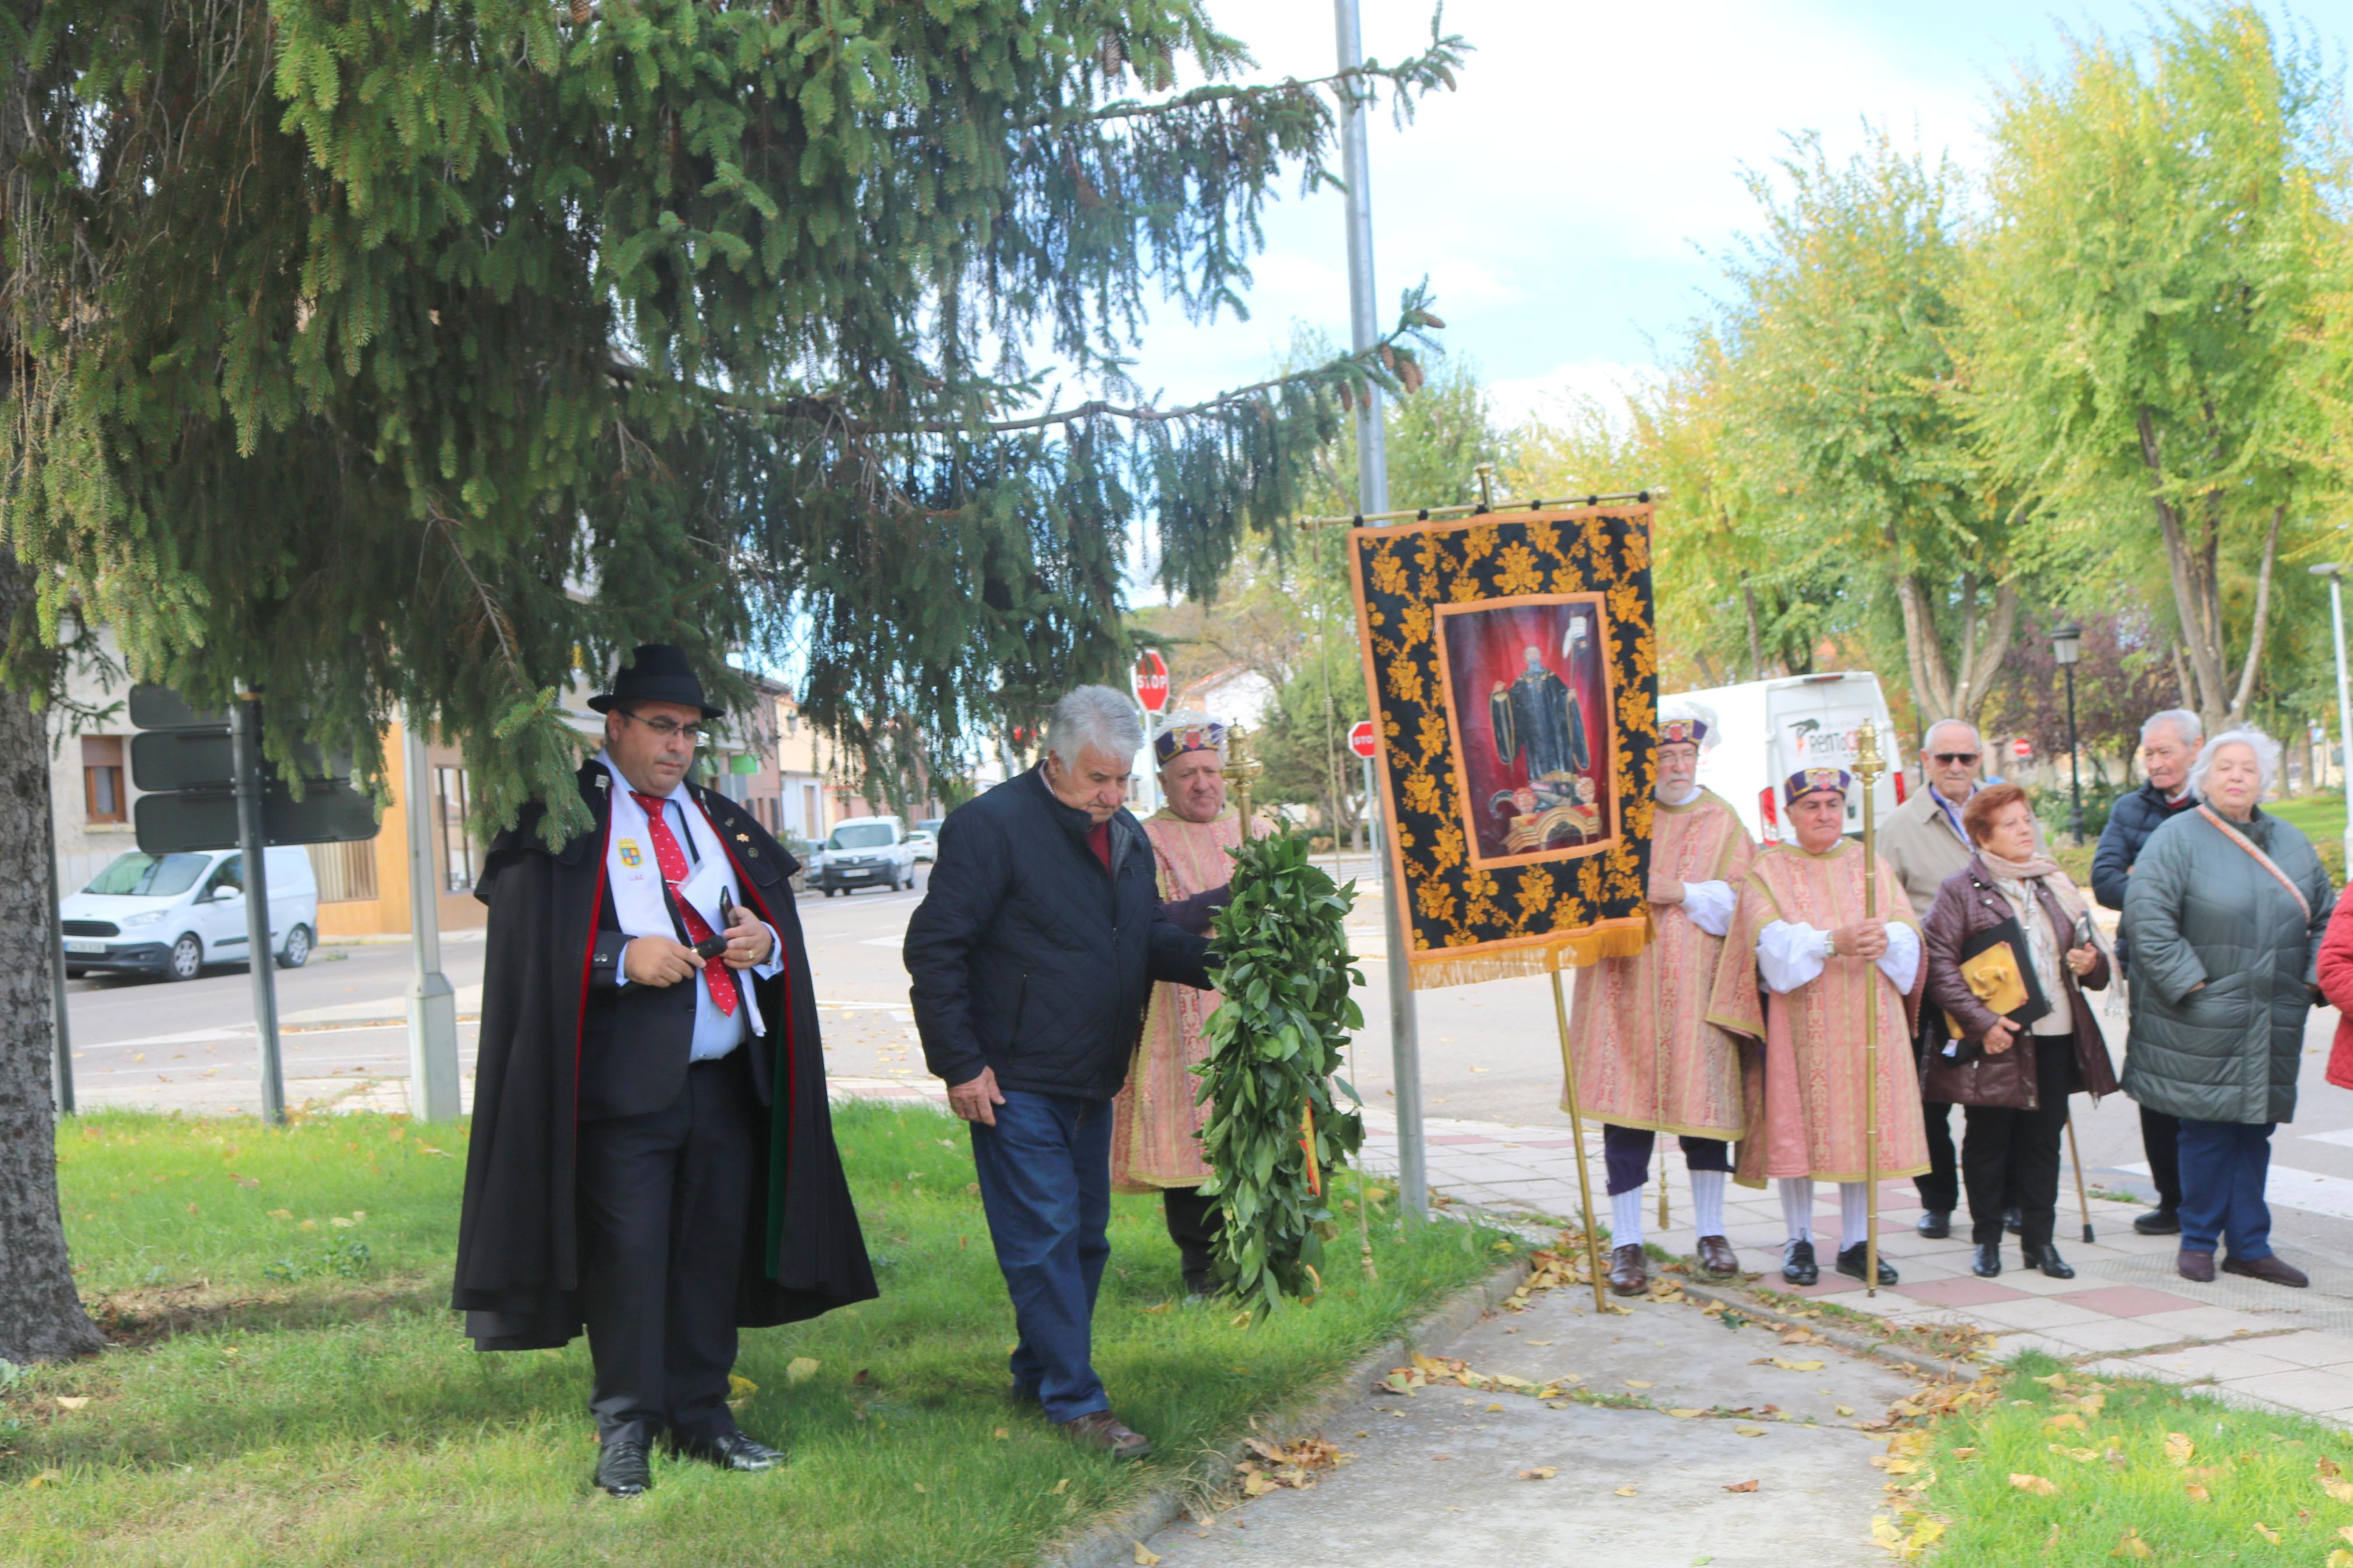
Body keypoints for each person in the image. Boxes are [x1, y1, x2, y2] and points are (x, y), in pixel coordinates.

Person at [452, 645, 877, 1499]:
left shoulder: (715, 819)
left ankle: (703, 1414)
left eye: (687, 730)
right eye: (660, 726)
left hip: (723, 1079)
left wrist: (763, 939)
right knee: (629, 1258)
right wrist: (618, 954)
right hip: (621, 1090)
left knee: (708, 1253)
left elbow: (758, 917)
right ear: (615, 726)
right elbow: (531, 940)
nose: (677, 744)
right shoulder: (565, 815)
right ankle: (625, 1429)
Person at [905, 686, 1213, 1460]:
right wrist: (958, 1062)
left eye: (1122, 780)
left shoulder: (1127, 834)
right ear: (1053, 761)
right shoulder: (990, 826)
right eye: (1096, 780)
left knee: (1082, 1240)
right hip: (1010, 1078)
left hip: (1091, 1074)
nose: (1111, 797)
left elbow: (1141, 933)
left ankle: (1036, 1371)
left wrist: (1230, 958)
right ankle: (1078, 1403)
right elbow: (934, 948)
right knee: (1042, 1234)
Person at [2120, 728, 2331, 1289]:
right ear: (2204, 777)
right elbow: (2147, 917)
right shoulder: (2176, 837)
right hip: (2201, 1015)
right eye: (2224, 767)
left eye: (2247, 768)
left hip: (2272, 1014)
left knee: (2253, 1131)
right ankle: (2196, 1241)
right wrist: (2194, 988)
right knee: (2207, 1130)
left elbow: (2328, 919)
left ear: (2262, 779)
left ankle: (2249, 1246)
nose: (2236, 776)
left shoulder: (2290, 841)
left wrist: (2307, 982)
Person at [1708, 769, 1928, 1286]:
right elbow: (1768, 943)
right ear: (1789, 814)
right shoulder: (1770, 870)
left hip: (1869, 1013)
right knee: (1799, 1126)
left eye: (1833, 804)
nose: (1825, 814)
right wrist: (1833, 942)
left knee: (1862, 1123)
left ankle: (1856, 1241)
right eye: (1812, 806)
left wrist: (1885, 941)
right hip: (1802, 1018)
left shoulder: (1868, 863)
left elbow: (1905, 928)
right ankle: (1799, 1238)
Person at [1568, 710, 1756, 1294]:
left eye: (1684, 757)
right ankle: (1625, 1243)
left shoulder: (1722, 821)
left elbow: (1745, 902)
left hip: (1699, 989)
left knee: (1703, 1109)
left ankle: (1712, 1233)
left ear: (1698, 759)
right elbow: (1582, 884)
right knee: (1626, 1111)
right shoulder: (1619, 819)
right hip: (1623, 983)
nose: (1675, 767)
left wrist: (1679, 892)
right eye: (1663, 757)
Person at [1921, 783, 2117, 1279]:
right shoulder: (1959, 890)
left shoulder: (2052, 883)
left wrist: (2090, 961)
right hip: (1996, 1037)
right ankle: (1986, 1238)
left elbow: (2091, 962)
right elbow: (1938, 964)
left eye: (2027, 819)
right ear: (1984, 838)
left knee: (2042, 1141)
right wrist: (1982, 1022)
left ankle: (2040, 1243)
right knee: (1988, 1141)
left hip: (2055, 1033)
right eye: (2010, 824)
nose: (2025, 829)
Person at [1109, 713, 1270, 1295]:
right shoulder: (1143, 839)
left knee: (1265, 1125)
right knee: (1191, 1136)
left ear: (1226, 773)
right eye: (1185, 775)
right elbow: (1143, 922)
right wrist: (1226, 901)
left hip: (1260, 1007)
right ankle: (1202, 1268)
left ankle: (1268, 1256)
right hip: (1178, 1013)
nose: (1200, 783)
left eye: (1209, 770)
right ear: (1165, 780)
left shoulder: (1260, 827)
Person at [2091, 709, 2205, 1236]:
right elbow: (2106, 880)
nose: (2156, 762)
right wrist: (2173, 891)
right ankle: (2171, 1200)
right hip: (2148, 970)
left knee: (2205, 1088)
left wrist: (2151, 880)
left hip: (2212, 967)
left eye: (2165, 752)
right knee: (2156, 1086)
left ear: (2195, 748)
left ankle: (2207, 1199)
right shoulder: (2129, 809)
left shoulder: (2219, 806)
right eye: (2149, 753)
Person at [1879, 719, 1989, 1240]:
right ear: (1925, 760)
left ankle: (2002, 1201)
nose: (1955, 768)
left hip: (2000, 982)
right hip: (1933, 983)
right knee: (1931, 1103)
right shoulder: (1899, 827)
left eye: (1965, 758)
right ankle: (1937, 1200)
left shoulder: (2003, 810)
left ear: (1979, 760)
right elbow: (1885, 907)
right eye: (1944, 758)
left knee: (1997, 1103)